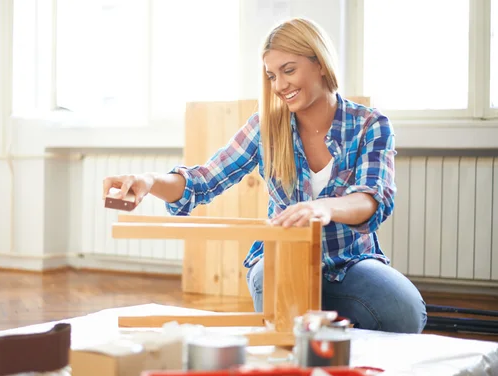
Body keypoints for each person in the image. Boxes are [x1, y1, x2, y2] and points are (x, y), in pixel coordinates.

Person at [102, 18, 427, 334]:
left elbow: (373, 198)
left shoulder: (370, 124)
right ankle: (314, 328)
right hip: (280, 260)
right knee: (288, 329)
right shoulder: (266, 127)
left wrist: (324, 207)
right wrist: (149, 181)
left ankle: (326, 324)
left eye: (289, 70)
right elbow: (203, 181)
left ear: (321, 64)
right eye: (272, 75)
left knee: (406, 314)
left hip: (348, 262)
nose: (280, 85)